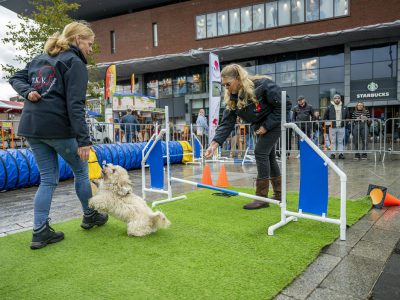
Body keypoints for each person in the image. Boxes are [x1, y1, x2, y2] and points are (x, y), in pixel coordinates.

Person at [9, 21, 108, 249]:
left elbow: (15, 77)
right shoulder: (74, 62)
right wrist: (84, 141)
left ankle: (40, 231)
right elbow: (76, 105)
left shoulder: (39, 58)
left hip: (32, 128)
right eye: (89, 44)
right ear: (77, 40)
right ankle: (90, 215)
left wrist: (29, 91)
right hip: (58, 128)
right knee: (81, 172)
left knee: (47, 179)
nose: (91, 50)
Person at [204, 64, 291, 210]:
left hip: (275, 122)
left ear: (238, 79)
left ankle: (261, 198)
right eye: (224, 85)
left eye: (228, 84)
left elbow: (285, 104)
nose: (226, 88)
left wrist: (266, 126)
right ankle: (279, 195)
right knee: (268, 156)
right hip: (261, 127)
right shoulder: (232, 98)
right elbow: (227, 123)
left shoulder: (263, 85)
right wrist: (213, 144)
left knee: (260, 152)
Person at [323, 94, 350, 159]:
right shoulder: (329, 107)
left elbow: (347, 117)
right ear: (333, 99)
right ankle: (333, 154)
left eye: (338, 98)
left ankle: (341, 154)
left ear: (340, 99)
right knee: (333, 141)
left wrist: (345, 123)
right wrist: (329, 124)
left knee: (340, 141)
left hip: (341, 127)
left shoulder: (344, 107)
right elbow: (325, 117)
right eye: (335, 98)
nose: (337, 99)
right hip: (332, 127)